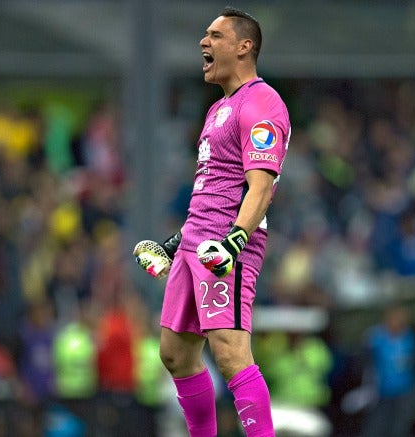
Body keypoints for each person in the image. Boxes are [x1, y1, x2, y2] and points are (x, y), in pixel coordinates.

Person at [133, 6, 290, 436]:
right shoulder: (219, 108)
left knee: (231, 352)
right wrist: (173, 243)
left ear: (244, 47)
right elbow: (213, 192)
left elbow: (259, 188)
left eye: (215, 35)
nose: (204, 42)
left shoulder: (263, 102)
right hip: (194, 243)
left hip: (223, 247)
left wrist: (234, 243)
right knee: (174, 353)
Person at [361, 305, 415, 437]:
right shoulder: (376, 337)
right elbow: (365, 359)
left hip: (405, 390)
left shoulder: (409, 336)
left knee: (399, 428)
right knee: (376, 426)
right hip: (381, 391)